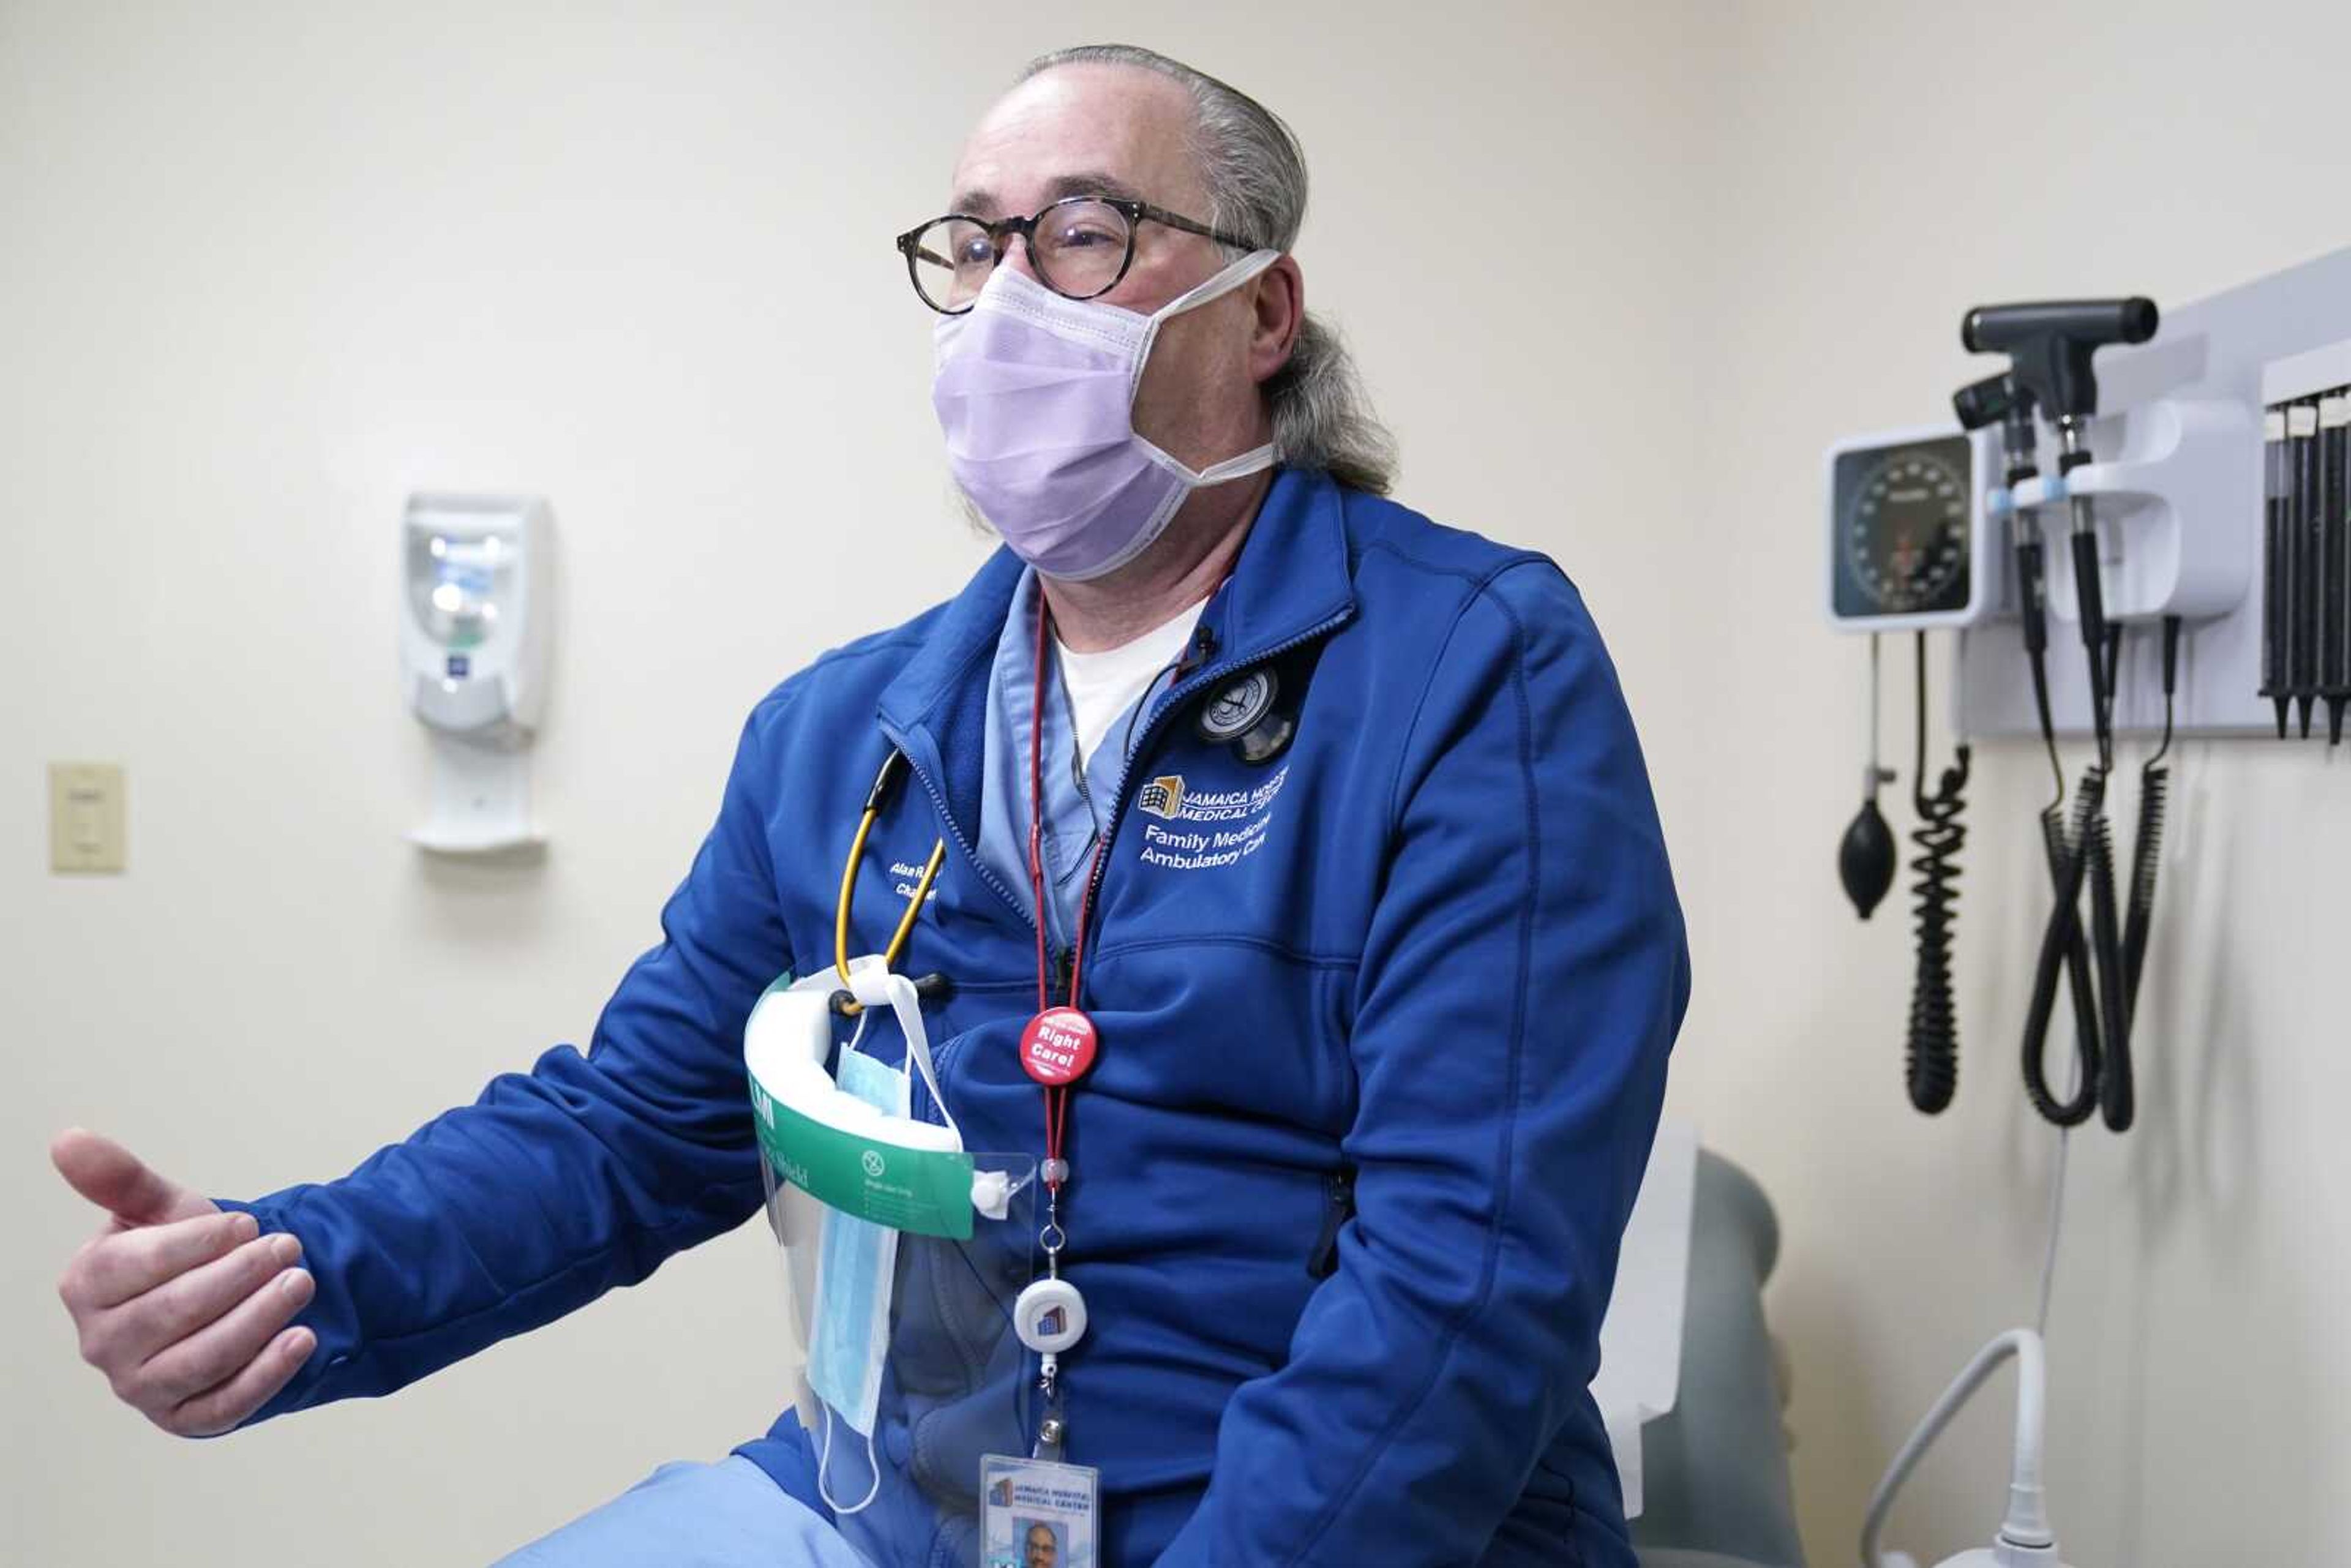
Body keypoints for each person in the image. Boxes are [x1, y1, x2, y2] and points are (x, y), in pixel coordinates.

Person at [51, 42, 1688, 1567]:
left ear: (1267, 315)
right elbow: (630, 1126)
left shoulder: (1470, 670)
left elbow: (1467, 1281)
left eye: (1084, 233)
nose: (1004, 301)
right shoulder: (849, 731)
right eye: (972, 247)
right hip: (898, 1505)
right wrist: (296, 1274)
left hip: (1305, 1518)